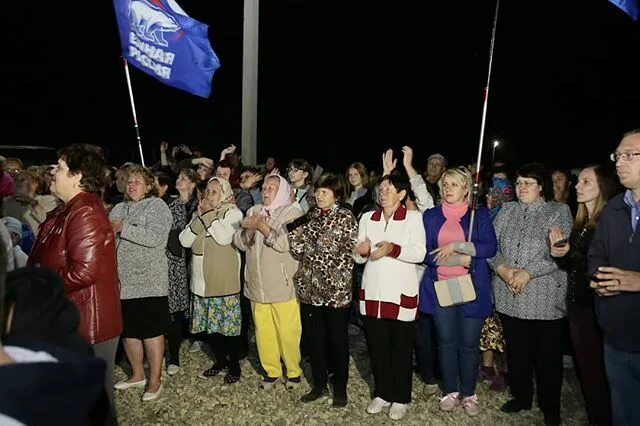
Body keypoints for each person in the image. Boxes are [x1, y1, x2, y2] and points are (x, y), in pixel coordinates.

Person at [27, 143, 123, 414]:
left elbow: (85, 271)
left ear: (78, 176)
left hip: (88, 325)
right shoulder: (66, 210)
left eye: (60, 167)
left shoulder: (85, 213)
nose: (52, 172)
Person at [488, 163, 572, 425]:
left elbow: (559, 251)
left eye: (529, 183)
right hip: (509, 296)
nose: (522, 187)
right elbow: (491, 244)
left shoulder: (558, 211)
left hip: (544, 299)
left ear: (541, 186)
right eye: (519, 182)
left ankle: (550, 407)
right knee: (516, 352)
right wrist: (502, 269)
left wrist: (526, 273)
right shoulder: (508, 210)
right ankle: (521, 397)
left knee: (548, 358)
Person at [419, 167, 497, 416]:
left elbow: (490, 247)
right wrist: (459, 260)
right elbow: (426, 252)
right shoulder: (431, 216)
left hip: (471, 288)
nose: (448, 189)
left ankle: (469, 393)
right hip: (441, 287)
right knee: (445, 342)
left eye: (454, 184)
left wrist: (457, 245)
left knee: (469, 343)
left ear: (466, 189)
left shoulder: (479, 215)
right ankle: (450, 391)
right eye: (445, 184)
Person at [355, 174, 426, 421]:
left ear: (402, 194)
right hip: (373, 292)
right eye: (381, 188)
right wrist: (361, 252)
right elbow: (358, 254)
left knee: (401, 349)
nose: (382, 192)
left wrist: (392, 249)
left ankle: (401, 397)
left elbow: (419, 252)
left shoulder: (414, 218)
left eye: (388, 188)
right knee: (377, 347)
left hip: (400, 292)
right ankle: (382, 393)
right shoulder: (367, 218)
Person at [553, 164, 617, 426]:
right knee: (587, 370)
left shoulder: (608, 222)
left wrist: (570, 254)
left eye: (585, 182)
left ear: (602, 187)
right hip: (578, 306)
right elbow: (575, 266)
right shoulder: (580, 222)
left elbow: (600, 267)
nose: (577, 185)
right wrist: (563, 253)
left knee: (600, 372)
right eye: (579, 181)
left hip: (597, 308)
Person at [289, 173, 358, 407]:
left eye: (325, 192)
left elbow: (348, 255)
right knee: (314, 340)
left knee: (337, 341)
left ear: (337, 195)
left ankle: (339, 388)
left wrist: (317, 259)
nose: (319, 196)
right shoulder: (311, 216)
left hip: (335, 292)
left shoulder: (346, 218)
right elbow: (298, 252)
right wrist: (294, 235)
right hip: (310, 291)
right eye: (317, 191)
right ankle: (318, 384)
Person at [233, 175, 304, 390]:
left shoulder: (295, 213)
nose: (265, 192)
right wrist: (249, 230)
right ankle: (271, 371)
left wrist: (262, 226)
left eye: (271, 188)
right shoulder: (254, 211)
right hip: (257, 285)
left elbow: (286, 244)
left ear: (282, 191)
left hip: (282, 285)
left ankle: (293, 372)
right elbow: (238, 241)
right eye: (263, 187)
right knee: (263, 331)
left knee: (288, 331)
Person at [589, 129, 640, 425]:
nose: (619, 162)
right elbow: (596, 255)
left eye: (629, 154)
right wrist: (598, 279)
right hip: (616, 336)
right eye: (617, 156)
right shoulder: (613, 209)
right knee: (623, 412)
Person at [109, 165, 172, 402]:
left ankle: (155, 379)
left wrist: (125, 228)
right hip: (123, 281)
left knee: (151, 331)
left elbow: (156, 238)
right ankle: (137, 374)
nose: (131, 185)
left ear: (148, 187)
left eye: (137, 181)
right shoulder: (117, 208)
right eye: (129, 181)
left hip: (149, 280)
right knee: (130, 331)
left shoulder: (156, 206)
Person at [180, 177, 244, 384]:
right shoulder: (199, 213)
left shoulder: (233, 213)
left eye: (215, 192)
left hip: (223, 282)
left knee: (228, 329)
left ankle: (234, 364)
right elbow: (185, 240)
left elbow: (224, 237)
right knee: (211, 328)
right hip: (201, 283)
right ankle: (220, 361)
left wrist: (207, 215)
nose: (209, 196)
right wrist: (200, 217)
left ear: (225, 194)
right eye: (208, 191)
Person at [164, 169, 198, 376]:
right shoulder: (172, 205)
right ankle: (173, 353)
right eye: (178, 177)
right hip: (176, 262)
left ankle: (196, 336)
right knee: (175, 306)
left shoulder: (196, 204)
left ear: (193, 184)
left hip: (194, 259)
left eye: (184, 179)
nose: (179, 180)